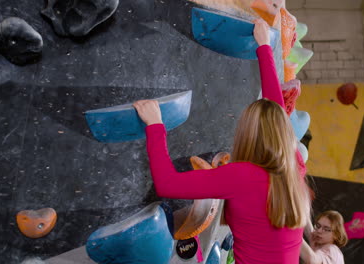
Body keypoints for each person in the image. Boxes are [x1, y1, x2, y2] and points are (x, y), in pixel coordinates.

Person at [133, 19, 311, 264]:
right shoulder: (294, 169)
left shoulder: (242, 177)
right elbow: (275, 111)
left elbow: (167, 184)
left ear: (246, 133)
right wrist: (263, 48)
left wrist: (155, 127)